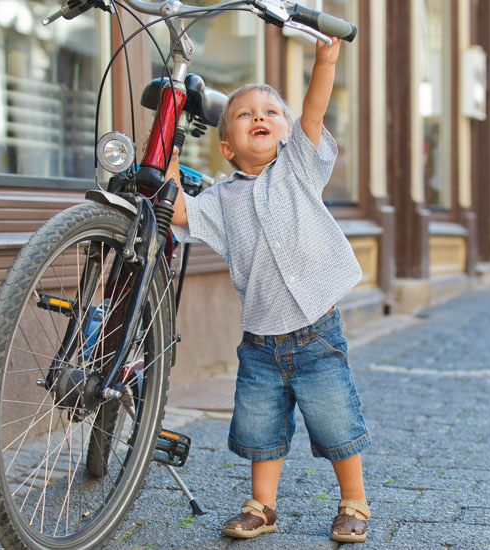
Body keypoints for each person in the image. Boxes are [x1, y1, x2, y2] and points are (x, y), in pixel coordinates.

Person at [167, 37, 372, 543]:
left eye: (269, 112)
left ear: (285, 131)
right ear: (226, 146)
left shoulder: (297, 169)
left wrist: (323, 64)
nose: (259, 117)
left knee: (335, 425)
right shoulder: (218, 198)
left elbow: (313, 114)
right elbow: (176, 211)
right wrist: (167, 148)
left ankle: (354, 501)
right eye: (243, 115)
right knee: (262, 432)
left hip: (316, 331)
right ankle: (262, 506)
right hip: (260, 341)